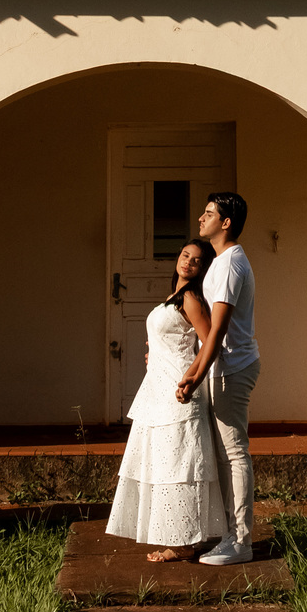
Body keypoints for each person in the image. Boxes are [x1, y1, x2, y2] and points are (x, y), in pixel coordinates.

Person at [105, 237, 229, 563]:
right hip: (158, 389)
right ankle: (183, 537)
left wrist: (189, 377)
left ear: (203, 268)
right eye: (185, 255)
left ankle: (183, 543)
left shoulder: (190, 298)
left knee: (180, 466)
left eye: (197, 260)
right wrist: (154, 354)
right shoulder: (172, 297)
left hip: (179, 391)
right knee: (165, 465)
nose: (188, 262)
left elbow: (209, 343)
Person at [175, 191, 260, 566]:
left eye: (209, 214)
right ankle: (230, 534)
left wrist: (195, 376)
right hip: (225, 366)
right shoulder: (223, 261)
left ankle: (240, 541)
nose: (201, 218)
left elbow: (217, 332)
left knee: (234, 454)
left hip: (232, 367)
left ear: (226, 223)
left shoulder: (228, 265)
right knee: (227, 455)